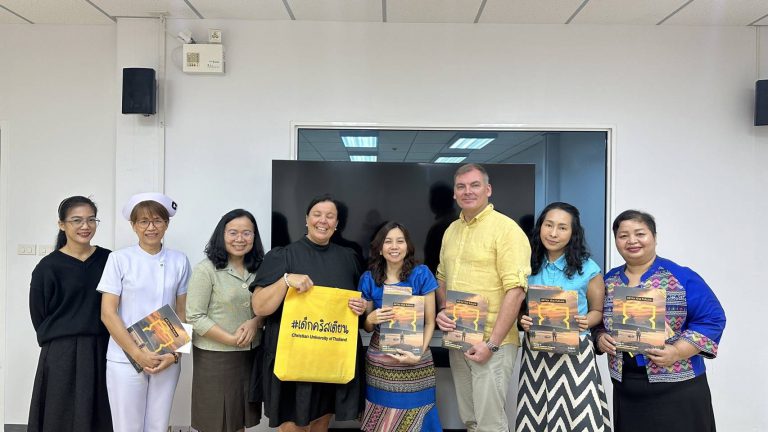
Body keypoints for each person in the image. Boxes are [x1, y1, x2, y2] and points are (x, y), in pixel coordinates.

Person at [594, 210, 726, 432]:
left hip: (678, 388)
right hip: (627, 389)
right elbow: (597, 318)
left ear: (654, 237)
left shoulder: (681, 276)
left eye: (640, 234)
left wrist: (677, 351)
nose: (632, 241)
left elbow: (712, 319)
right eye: (623, 235)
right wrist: (600, 338)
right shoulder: (608, 281)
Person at [250, 195, 367, 432]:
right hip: (292, 362)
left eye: (330, 216)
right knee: (293, 427)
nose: (323, 220)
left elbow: (362, 305)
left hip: (330, 360)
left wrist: (362, 306)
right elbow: (259, 307)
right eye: (317, 214)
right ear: (306, 219)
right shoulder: (283, 255)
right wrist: (285, 281)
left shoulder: (348, 259)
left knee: (320, 425)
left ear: (337, 224)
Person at [435, 163, 531, 432]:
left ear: (488, 189)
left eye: (475, 185)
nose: (468, 191)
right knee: (471, 419)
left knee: (490, 423)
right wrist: (443, 309)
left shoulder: (507, 230)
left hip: (491, 342)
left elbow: (516, 290)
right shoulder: (451, 230)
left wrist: (492, 344)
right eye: (461, 186)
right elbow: (442, 276)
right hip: (459, 338)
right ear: (454, 193)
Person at [98, 192, 191, 432]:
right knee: (127, 426)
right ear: (134, 225)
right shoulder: (119, 259)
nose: (151, 227)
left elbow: (183, 312)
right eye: (144, 221)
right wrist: (137, 354)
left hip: (166, 355)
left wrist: (174, 355)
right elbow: (108, 313)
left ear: (167, 224)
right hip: (125, 356)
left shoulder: (179, 260)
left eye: (158, 221)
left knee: (158, 425)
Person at [516, 202, 611, 431]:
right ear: (540, 227)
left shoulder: (588, 269)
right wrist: (522, 320)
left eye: (562, 227)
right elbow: (519, 308)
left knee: (579, 416)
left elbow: (597, 312)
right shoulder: (526, 264)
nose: (553, 233)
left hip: (575, 351)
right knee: (536, 414)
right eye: (548, 225)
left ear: (573, 233)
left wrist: (587, 320)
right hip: (536, 353)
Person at [27, 196, 112, 432]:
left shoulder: (109, 259)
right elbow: (39, 315)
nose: (85, 226)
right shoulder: (48, 267)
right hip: (61, 352)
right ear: (62, 225)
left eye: (91, 220)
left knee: (101, 414)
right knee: (59, 415)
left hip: (103, 347)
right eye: (77, 220)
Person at [186, 209, 265, 432]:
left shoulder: (261, 268)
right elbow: (195, 316)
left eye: (247, 233)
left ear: (254, 236)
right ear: (222, 235)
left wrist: (256, 322)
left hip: (251, 355)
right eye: (233, 232)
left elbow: (269, 306)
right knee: (216, 422)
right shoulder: (206, 269)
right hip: (216, 358)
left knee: (238, 421)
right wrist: (230, 339)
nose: (240, 239)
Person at [358, 222, 441, 432]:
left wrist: (418, 354)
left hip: (416, 359)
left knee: (418, 414)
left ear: (407, 246)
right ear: (380, 248)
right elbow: (367, 327)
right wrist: (371, 318)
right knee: (382, 420)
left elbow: (430, 322)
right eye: (388, 241)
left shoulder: (421, 274)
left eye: (400, 241)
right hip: (380, 364)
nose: (394, 246)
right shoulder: (368, 278)